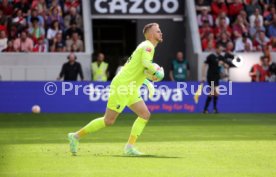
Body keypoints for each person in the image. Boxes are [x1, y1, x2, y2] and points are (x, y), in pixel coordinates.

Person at [68, 23, 164, 156]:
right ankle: (75, 136)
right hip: (123, 86)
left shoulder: (144, 47)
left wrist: (148, 81)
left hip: (131, 88)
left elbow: (138, 69)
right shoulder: (148, 46)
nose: (161, 33)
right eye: (158, 31)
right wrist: (157, 71)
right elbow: (147, 65)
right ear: (151, 34)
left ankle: (129, 147)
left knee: (144, 115)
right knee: (108, 121)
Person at [202, 44, 227, 113]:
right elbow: (204, 64)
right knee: (214, 91)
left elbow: (224, 66)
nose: (221, 51)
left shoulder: (221, 57)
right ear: (216, 49)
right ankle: (212, 109)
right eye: (220, 49)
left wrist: (224, 66)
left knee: (215, 93)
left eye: (221, 50)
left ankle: (208, 109)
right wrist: (203, 76)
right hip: (211, 76)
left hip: (217, 77)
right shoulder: (211, 56)